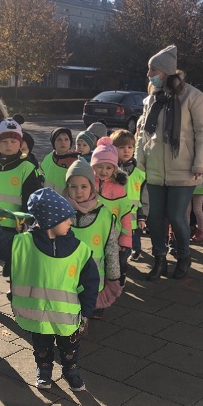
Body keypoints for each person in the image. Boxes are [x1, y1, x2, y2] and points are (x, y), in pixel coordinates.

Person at [0, 188, 99, 391]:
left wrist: (87, 311)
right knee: (41, 347)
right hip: (39, 315)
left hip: (67, 317)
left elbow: (91, 283)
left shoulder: (79, 249)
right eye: (65, 218)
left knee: (70, 348)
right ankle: (44, 370)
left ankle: (70, 370)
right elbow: (4, 249)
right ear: (50, 222)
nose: (70, 222)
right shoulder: (24, 243)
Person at [135, 45, 203, 280]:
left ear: (166, 71)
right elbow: (142, 133)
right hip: (155, 168)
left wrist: (200, 164)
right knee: (154, 217)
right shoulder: (151, 99)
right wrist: (139, 162)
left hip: (183, 168)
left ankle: (184, 256)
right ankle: (159, 259)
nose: (149, 75)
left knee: (177, 216)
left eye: (153, 70)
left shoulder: (193, 96)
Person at [0, 116, 42, 305]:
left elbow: (32, 198)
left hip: (17, 225)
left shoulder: (27, 168)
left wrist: (27, 222)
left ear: (20, 143)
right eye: (4, 141)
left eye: (13, 141)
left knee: (16, 261)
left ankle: (15, 290)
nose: (9, 145)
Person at [64, 159, 122, 318]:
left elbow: (111, 247)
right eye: (73, 187)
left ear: (92, 187)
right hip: (66, 276)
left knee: (89, 307)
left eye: (84, 186)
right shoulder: (61, 212)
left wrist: (113, 276)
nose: (79, 191)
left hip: (94, 278)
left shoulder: (104, 215)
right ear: (67, 187)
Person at [92, 137, 133, 293]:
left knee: (115, 264)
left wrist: (125, 239)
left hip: (113, 236)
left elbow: (126, 216)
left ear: (114, 169)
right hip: (93, 234)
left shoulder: (119, 189)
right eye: (99, 167)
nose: (104, 171)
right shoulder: (88, 184)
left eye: (109, 168)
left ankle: (115, 284)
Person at [111, 129, 147, 261]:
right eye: (121, 147)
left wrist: (142, 216)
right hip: (114, 217)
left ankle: (135, 251)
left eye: (130, 147)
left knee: (131, 240)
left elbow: (143, 197)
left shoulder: (139, 173)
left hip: (133, 219)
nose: (126, 150)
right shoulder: (109, 171)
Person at [41, 127, 79, 195]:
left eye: (66, 139)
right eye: (59, 139)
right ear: (53, 142)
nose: (63, 142)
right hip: (49, 197)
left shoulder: (76, 161)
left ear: (70, 142)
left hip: (67, 199)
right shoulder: (48, 158)